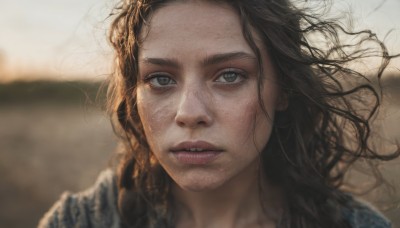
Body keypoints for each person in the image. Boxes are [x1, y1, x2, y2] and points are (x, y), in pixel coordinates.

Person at [38, 0, 400, 227]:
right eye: (160, 79)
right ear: (134, 97)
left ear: (284, 91)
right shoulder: (78, 222)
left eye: (230, 75)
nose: (190, 113)